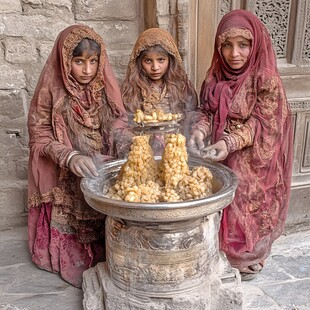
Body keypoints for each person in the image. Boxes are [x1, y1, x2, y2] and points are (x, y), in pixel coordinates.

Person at [188, 10, 293, 280]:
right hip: (218, 154)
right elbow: (205, 111)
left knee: (243, 200)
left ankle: (245, 256)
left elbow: (266, 123)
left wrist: (230, 141)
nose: (234, 53)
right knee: (215, 198)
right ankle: (221, 250)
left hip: (253, 159)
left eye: (243, 45)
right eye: (227, 45)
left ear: (254, 45)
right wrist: (200, 130)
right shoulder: (214, 77)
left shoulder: (265, 79)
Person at [27, 25, 131, 288]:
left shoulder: (103, 89)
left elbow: (119, 123)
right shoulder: (52, 90)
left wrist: (129, 144)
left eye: (93, 62)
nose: (87, 70)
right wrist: (70, 156)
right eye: (78, 62)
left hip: (100, 170)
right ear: (65, 61)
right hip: (68, 175)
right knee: (78, 258)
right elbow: (39, 136)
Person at [121, 27, 199, 155]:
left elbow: (192, 116)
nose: (155, 67)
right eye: (148, 61)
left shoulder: (182, 86)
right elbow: (124, 124)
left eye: (161, 60)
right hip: (143, 152)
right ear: (139, 62)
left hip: (175, 151)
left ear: (170, 59)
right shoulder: (131, 89)